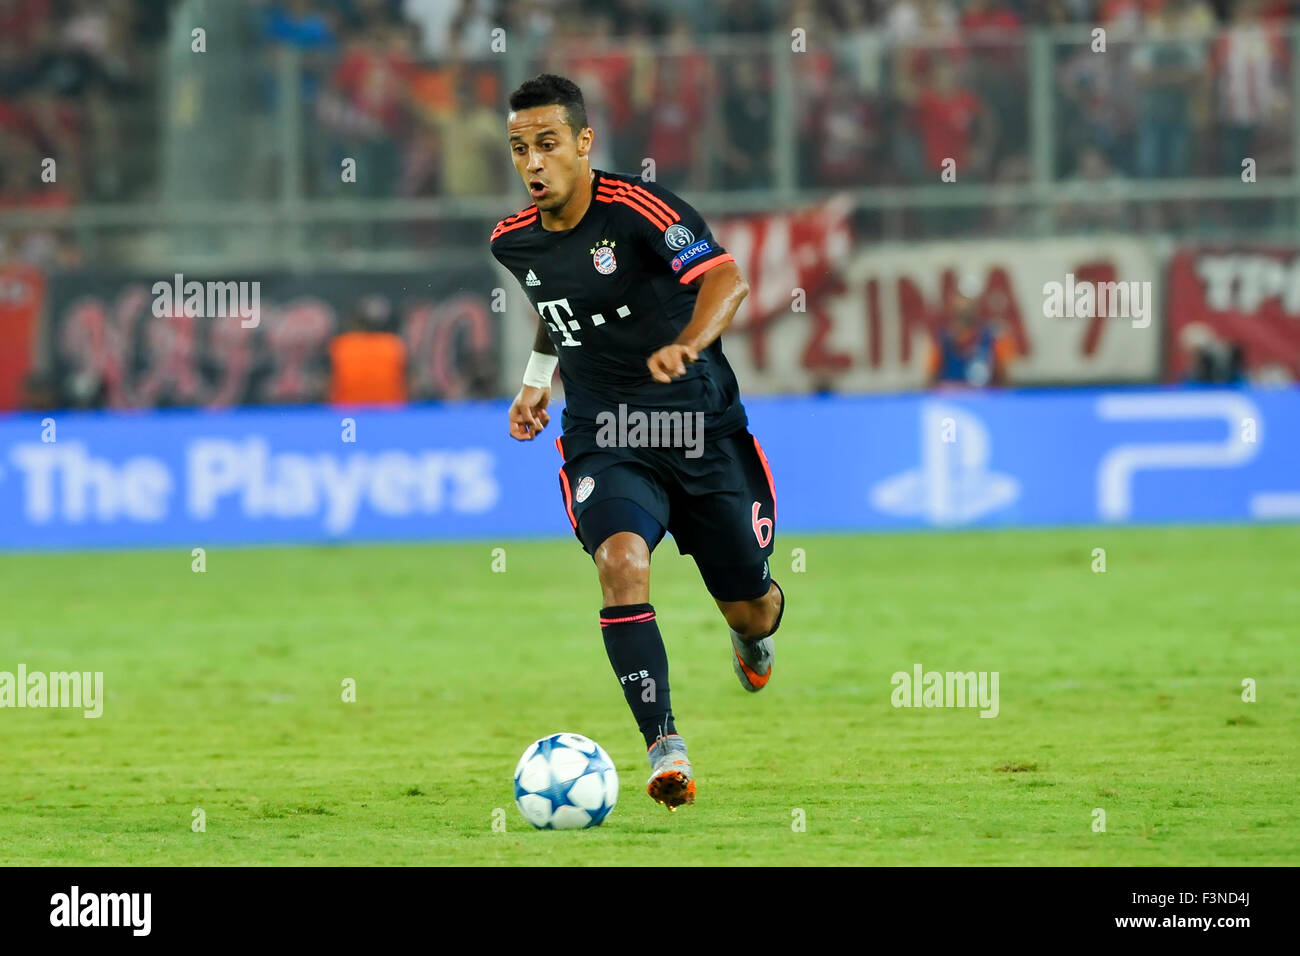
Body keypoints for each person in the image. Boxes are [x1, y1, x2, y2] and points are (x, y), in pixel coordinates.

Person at [490, 74, 784, 812]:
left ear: (584, 143)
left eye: (548, 145)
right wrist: (535, 381)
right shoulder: (512, 240)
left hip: (698, 429)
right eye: (520, 148)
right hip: (607, 435)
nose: (533, 163)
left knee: (753, 606)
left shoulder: (641, 209)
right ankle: (665, 747)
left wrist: (687, 344)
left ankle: (751, 637)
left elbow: (727, 280)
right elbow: (556, 309)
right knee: (621, 563)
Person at [327, 298, 407, 405]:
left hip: (347, 415)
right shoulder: (395, 345)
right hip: (390, 414)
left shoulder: (341, 345)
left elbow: (328, 384)